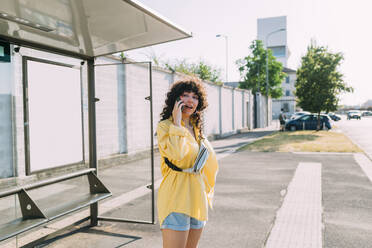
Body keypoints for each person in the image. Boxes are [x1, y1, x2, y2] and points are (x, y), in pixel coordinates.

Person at [156, 79, 219, 248]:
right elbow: (178, 156)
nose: (191, 100)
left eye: (195, 97)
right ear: (176, 99)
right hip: (177, 196)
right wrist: (176, 124)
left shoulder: (195, 126)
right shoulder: (165, 127)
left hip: (197, 196)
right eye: (185, 95)